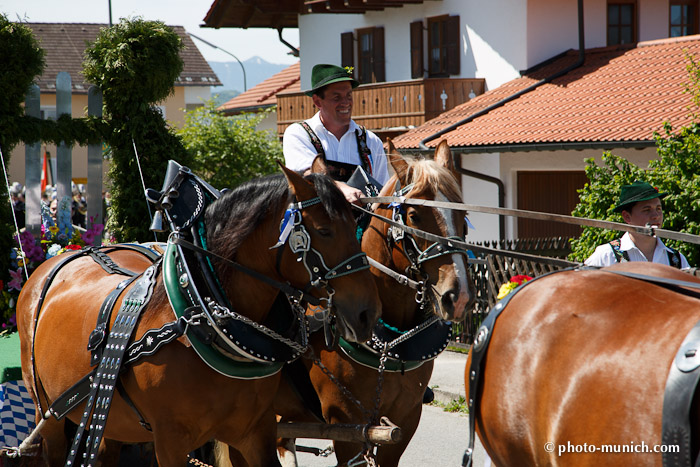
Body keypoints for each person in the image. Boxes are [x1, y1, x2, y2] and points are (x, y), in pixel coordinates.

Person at [283, 64, 390, 204]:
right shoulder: (299, 134)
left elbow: (384, 190)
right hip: (318, 224)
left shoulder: (371, 141)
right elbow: (308, 176)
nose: (345, 103)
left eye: (349, 96)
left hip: (364, 224)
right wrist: (342, 188)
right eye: (336, 97)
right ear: (317, 101)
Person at [585, 180, 690, 268]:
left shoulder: (677, 260)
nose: (656, 216)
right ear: (627, 216)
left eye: (658, 209)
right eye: (647, 210)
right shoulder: (606, 256)